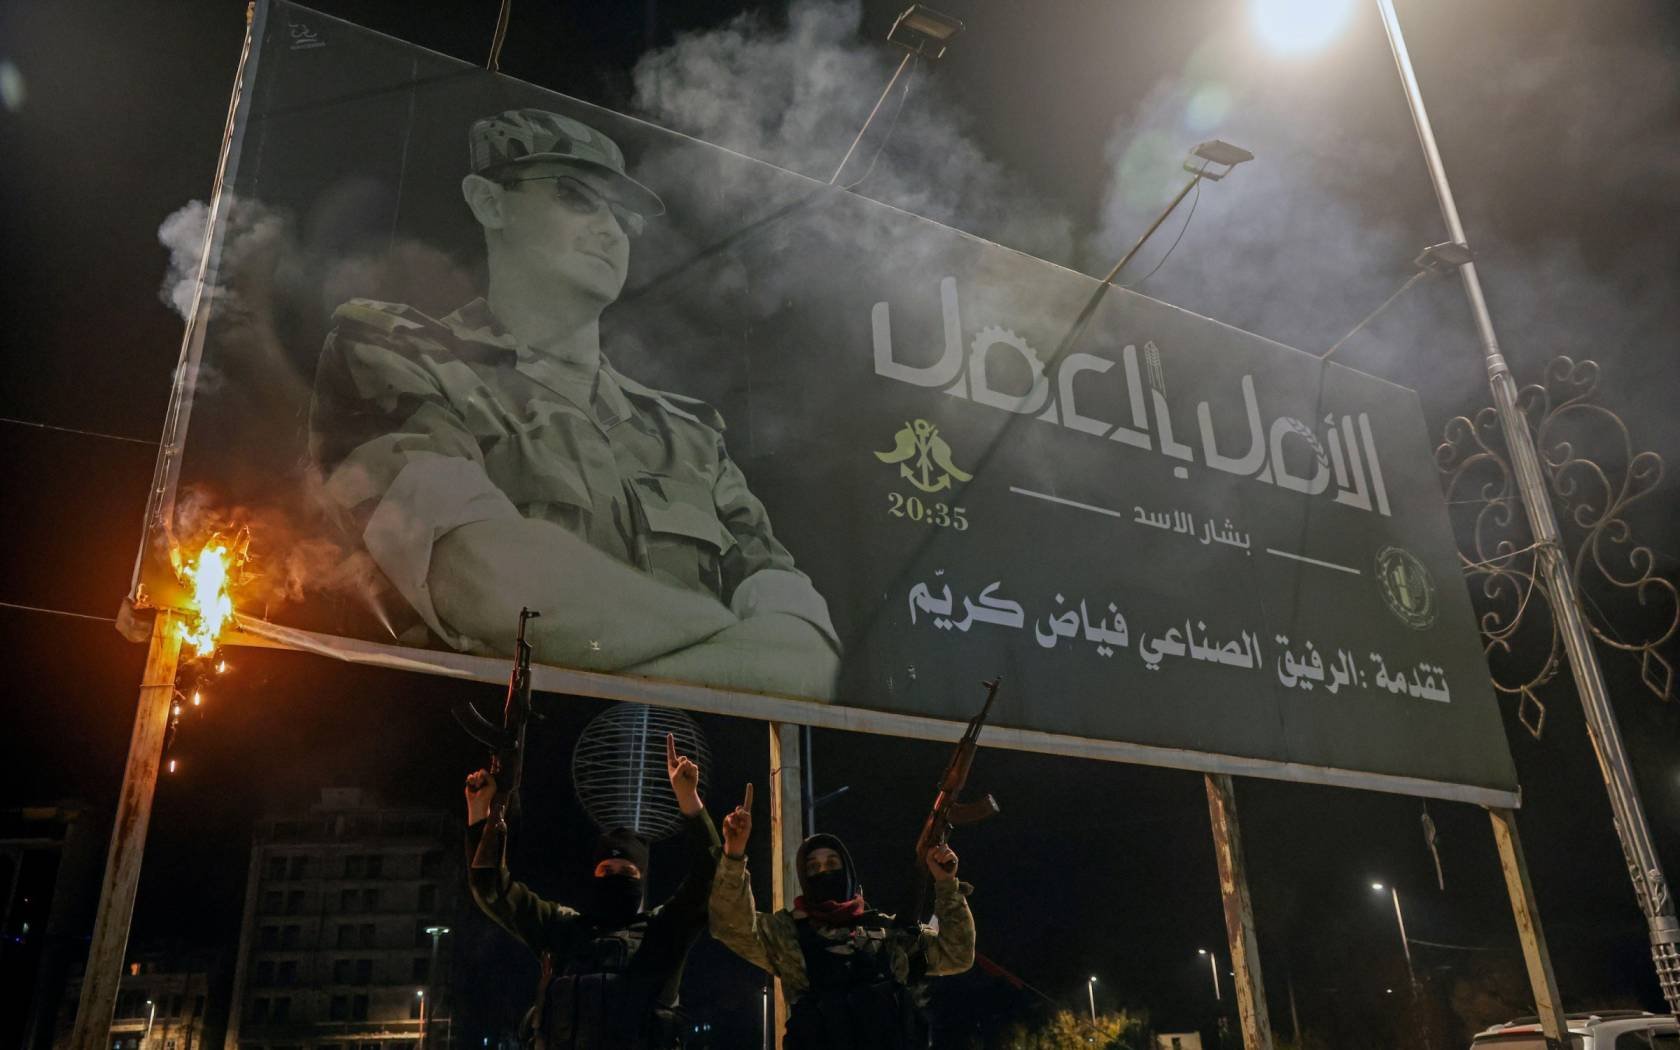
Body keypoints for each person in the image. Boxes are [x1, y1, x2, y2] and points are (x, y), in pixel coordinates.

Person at [309, 107, 839, 699]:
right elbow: (489, 585)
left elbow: (808, 659)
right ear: (489, 202)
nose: (611, 229)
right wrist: (732, 637)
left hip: (672, 774)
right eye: (577, 197)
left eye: (622, 214)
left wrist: (612, 666)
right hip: (472, 763)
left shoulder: (688, 435)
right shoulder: (397, 355)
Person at [463, 733, 719, 1049]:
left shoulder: (661, 934)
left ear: (640, 879)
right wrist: (481, 816)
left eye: (627, 872)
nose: (616, 877)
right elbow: (492, 891)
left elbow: (710, 878)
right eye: (607, 870)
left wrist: (689, 801)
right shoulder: (563, 929)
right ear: (594, 874)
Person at [707, 784, 975, 1049]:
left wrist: (946, 884)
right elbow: (731, 926)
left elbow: (957, 955)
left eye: (832, 864)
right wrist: (734, 854)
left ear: (847, 874)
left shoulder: (888, 932)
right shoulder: (788, 933)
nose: (824, 872)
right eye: (813, 867)